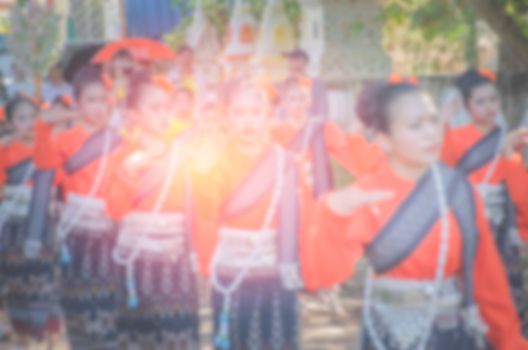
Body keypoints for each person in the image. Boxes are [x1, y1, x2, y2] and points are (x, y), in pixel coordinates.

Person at [307, 81, 528, 349]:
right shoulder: (367, 193)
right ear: (385, 141)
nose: (431, 133)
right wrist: (333, 213)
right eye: (415, 126)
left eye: (433, 121)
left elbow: (486, 277)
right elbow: (324, 274)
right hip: (386, 335)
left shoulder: (458, 190)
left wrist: (510, 341)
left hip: (451, 334)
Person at [192, 80, 308, 350]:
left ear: (268, 116)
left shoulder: (285, 162)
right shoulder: (215, 160)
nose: (248, 122)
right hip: (231, 274)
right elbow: (206, 214)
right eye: (239, 113)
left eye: (256, 113)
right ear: (227, 118)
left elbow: (300, 220)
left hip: (277, 273)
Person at [33, 65, 124, 350]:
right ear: (77, 102)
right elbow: (47, 169)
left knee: (112, 307)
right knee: (79, 306)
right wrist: (45, 126)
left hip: (112, 233)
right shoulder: (63, 140)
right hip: (77, 235)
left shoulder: (120, 140)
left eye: (102, 99)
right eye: (90, 100)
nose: (98, 106)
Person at [107, 72, 199, 349]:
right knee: (141, 335)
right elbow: (115, 210)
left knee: (178, 332)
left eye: (167, 107)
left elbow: (196, 208)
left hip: (177, 260)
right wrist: (128, 173)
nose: (164, 115)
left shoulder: (184, 155)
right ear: (133, 115)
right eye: (155, 108)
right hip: (137, 261)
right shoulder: (121, 156)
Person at [442, 69, 528, 316]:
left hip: (502, 228)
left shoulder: (508, 139)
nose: (489, 106)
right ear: (467, 106)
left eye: (493, 99)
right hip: (467, 226)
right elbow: (444, 176)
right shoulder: (454, 138)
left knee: (505, 301)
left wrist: (523, 231)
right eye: (480, 101)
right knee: (469, 297)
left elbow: (519, 193)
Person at [0, 96, 62, 347]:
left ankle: (50, 339)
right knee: (19, 287)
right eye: (21, 119)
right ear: (11, 123)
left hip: (43, 228)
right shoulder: (5, 151)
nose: (28, 124)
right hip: (15, 229)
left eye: (34, 118)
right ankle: (23, 338)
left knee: (46, 285)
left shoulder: (48, 145)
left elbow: (55, 181)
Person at [277, 49, 328, 119]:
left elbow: (322, 111)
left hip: (311, 124)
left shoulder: (316, 84)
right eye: (293, 68)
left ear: (305, 65)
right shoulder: (285, 85)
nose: (297, 72)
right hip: (288, 126)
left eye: (299, 68)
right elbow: (281, 110)